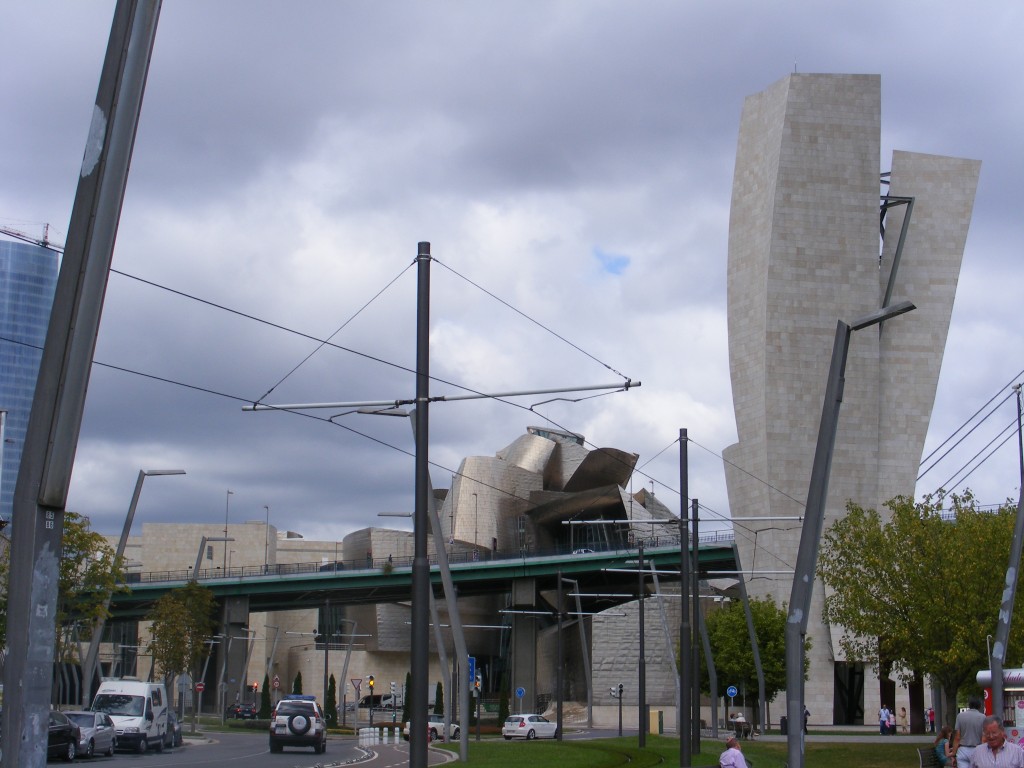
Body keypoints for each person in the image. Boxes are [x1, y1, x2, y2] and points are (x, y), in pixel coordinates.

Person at [954, 697, 987, 768]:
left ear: (969, 705)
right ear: (980, 705)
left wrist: (954, 752)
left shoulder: (960, 716)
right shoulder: (983, 717)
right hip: (977, 749)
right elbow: (983, 738)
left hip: (963, 750)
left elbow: (957, 737)